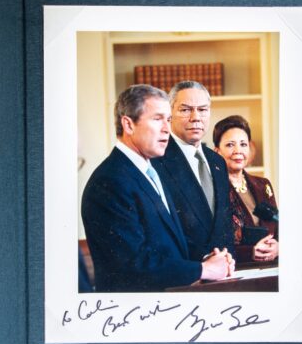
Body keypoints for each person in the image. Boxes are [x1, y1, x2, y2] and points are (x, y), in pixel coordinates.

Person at [81, 84, 234, 292]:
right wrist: (202, 270)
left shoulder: (148, 171)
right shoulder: (109, 181)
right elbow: (133, 265)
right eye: (157, 119)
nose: (166, 129)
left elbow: (168, 246)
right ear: (128, 124)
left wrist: (208, 260)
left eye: (168, 120)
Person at [152, 80, 235, 263]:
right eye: (185, 110)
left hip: (224, 273)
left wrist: (227, 260)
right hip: (185, 272)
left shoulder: (217, 161)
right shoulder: (156, 161)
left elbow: (224, 223)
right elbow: (160, 229)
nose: (196, 117)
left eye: (203, 109)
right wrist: (206, 260)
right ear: (170, 114)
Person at [213, 115, 279, 263]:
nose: (238, 151)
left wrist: (279, 247)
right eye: (230, 145)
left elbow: (279, 226)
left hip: (272, 266)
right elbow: (215, 243)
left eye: (243, 144)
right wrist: (250, 252)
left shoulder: (263, 185)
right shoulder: (213, 189)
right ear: (217, 152)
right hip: (238, 269)